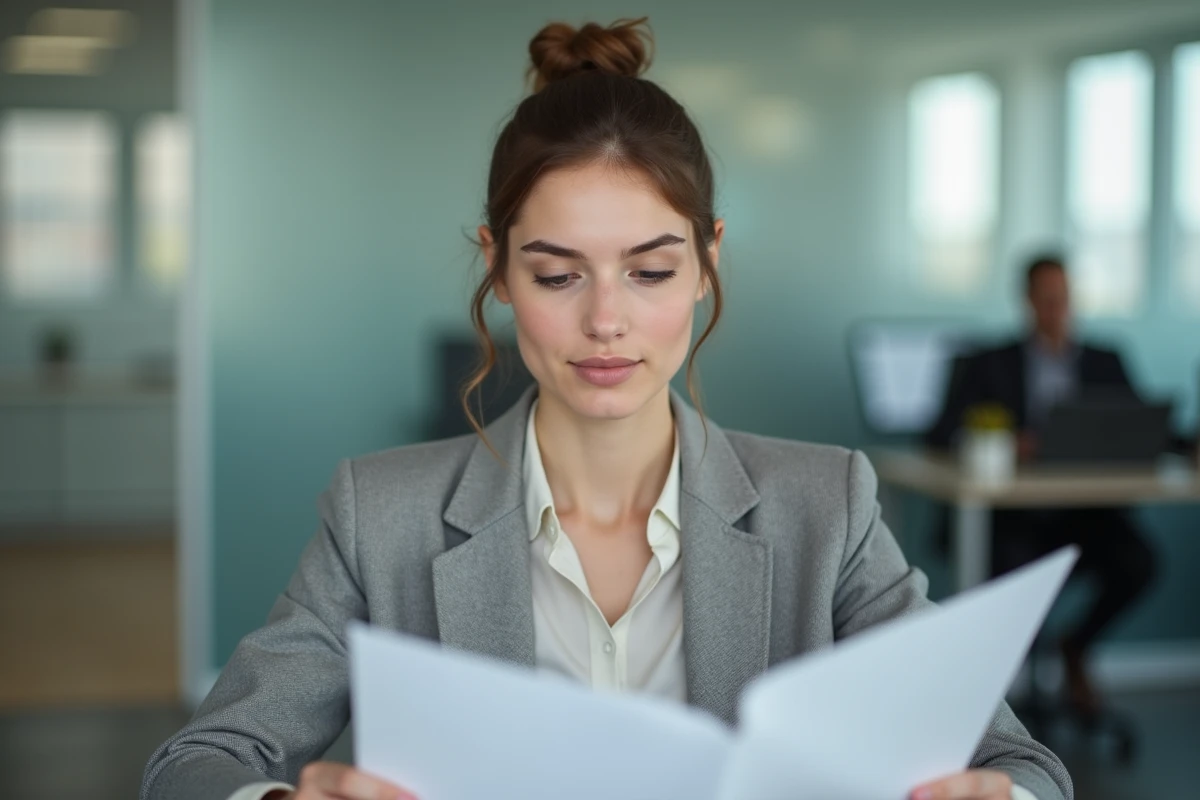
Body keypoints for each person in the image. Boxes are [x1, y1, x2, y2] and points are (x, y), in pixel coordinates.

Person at [143, 19, 1071, 800]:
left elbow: (1019, 762)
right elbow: (196, 763)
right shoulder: (377, 516)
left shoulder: (827, 507)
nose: (605, 321)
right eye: (556, 273)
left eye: (651, 270)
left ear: (708, 260)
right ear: (497, 266)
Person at [926, 254, 1157, 715]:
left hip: (1086, 516)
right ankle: (990, 701)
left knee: (1139, 562)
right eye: (1047, 298)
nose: (1057, 308)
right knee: (1014, 571)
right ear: (1028, 301)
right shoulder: (990, 362)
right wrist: (1010, 442)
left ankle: (1074, 646)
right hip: (1012, 518)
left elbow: (1144, 427)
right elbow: (939, 432)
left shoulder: (1105, 361)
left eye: (1064, 298)